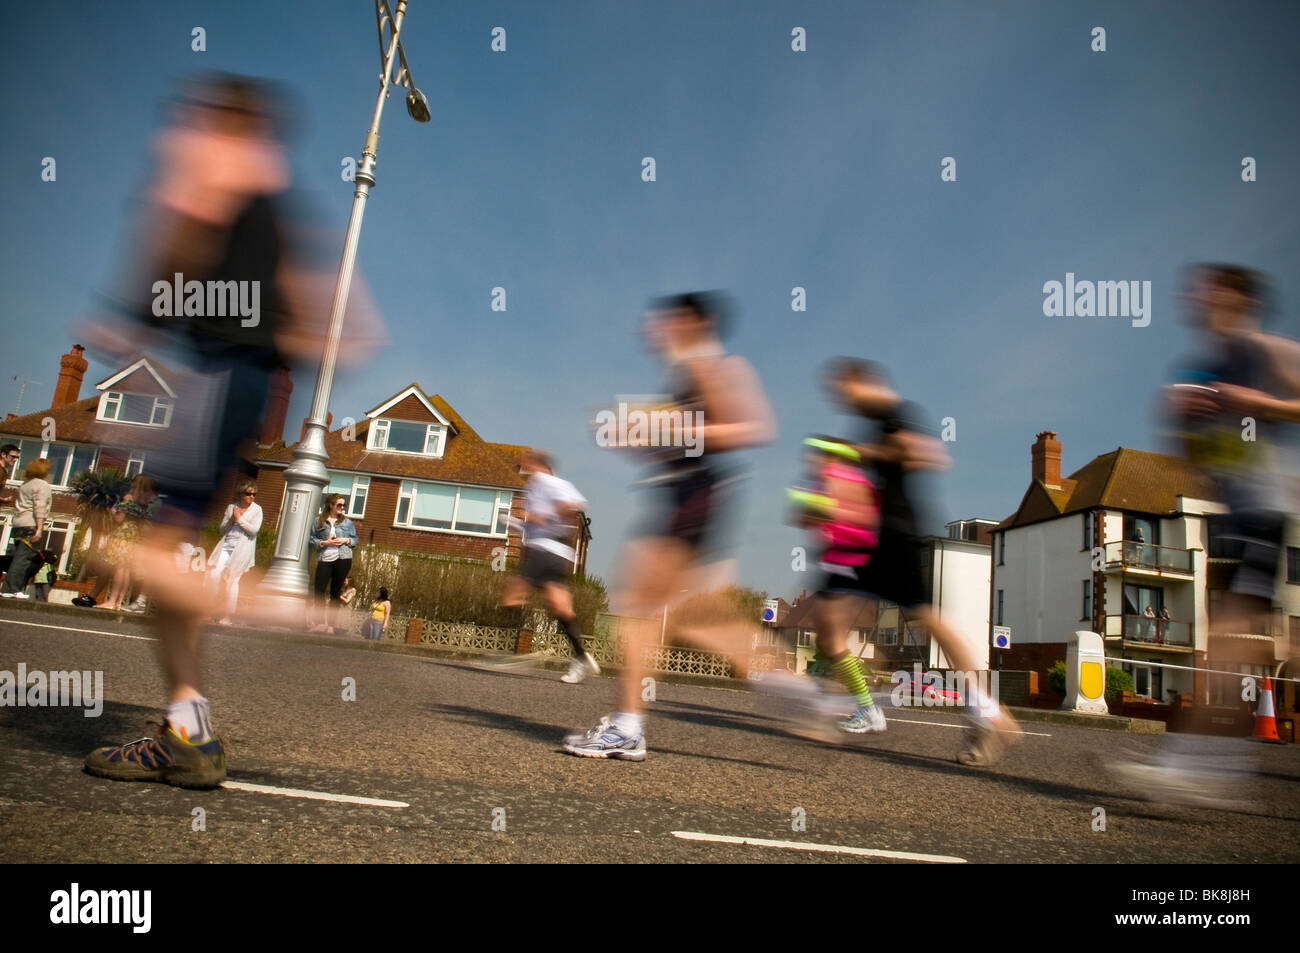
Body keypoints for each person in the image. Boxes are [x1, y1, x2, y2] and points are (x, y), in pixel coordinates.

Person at [80, 74, 352, 789]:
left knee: (161, 558)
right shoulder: (275, 189)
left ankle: (253, 629)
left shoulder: (213, 162)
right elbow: (311, 291)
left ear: (227, 120)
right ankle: (189, 731)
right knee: (166, 552)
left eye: (205, 114)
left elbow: (176, 241)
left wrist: (132, 315)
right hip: (245, 380)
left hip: (216, 373)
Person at [564, 292, 776, 760]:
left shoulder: (713, 366)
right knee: (694, 617)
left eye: (661, 321)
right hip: (686, 495)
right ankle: (805, 694)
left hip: (696, 494)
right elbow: (677, 439)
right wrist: (633, 433)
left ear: (691, 322)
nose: (651, 330)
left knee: (638, 607)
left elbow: (755, 428)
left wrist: (678, 431)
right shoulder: (685, 377)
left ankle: (627, 728)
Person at [822, 357, 1020, 764]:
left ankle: (989, 714)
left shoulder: (894, 415)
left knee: (929, 620)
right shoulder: (878, 421)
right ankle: (867, 709)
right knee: (830, 624)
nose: (842, 400)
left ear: (862, 382)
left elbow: (928, 454)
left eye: (843, 390)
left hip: (895, 535)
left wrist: (865, 452)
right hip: (875, 538)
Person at [501, 449, 599, 683]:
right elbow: (534, 525)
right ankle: (580, 657)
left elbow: (575, 504)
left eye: (528, 465)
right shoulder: (533, 490)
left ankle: (521, 650)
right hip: (554, 553)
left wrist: (543, 515)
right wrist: (516, 523)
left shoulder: (549, 482)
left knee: (511, 596)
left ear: (541, 466)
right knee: (561, 608)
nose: (525, 470)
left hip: (545, 551)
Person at [207, 480, 262, 625]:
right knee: (213, 575)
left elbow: (254, 530)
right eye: (248, 494)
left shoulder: (257, 510)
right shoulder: (232, 507)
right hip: (225, 547)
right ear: (241, 494)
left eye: (254, 494)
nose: (252, 497)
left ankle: (227, 615)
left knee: (232, 580)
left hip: (242, 550)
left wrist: (240, 519)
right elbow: (222, 530)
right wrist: (232, 519)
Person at [100, 476, 158, 611]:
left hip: (123, 534)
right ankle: (119, 601)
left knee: (119, 569)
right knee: (125, 570)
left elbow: (119, 519)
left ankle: (112, 600)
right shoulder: (145, 501)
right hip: (135, 536)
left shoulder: (129, 498)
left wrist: (113, 512)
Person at [1, 457, 52, 599]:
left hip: (18, 524)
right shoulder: (42, 485)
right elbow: (40, 506)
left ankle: (9, 588)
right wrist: (40, 528)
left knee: (17, 557)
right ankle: (11, 589)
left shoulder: (25, 484)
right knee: (24, 559)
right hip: (31, 524)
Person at [309, 493, 358, 635]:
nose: (342, 507)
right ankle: (319, 623)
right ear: (330, 505)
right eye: (339, 505)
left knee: (335, 593)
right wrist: (324, 543)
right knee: (319, 590)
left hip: (343, 558)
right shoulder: (318, 521)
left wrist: (345, 540)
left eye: (344, 505)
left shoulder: (347, 522)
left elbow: (355, 540)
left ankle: (331, 626)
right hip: (325, 558)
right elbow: (312, 539)